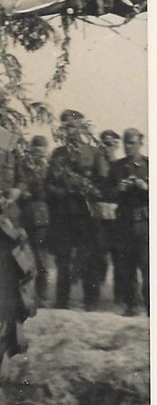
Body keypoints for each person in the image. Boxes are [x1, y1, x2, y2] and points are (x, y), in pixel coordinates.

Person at [46, 110, 102, 311]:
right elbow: (49, 185)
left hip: (86, 214)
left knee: (89, 256)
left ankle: (91, 300)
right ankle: (62, 301)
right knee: (63, 259)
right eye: (66, 126)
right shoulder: (58, 155)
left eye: (72, 125)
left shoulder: (93, 153)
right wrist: (64, 191)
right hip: (64, 214)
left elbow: (102, 183)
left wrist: (90, 190)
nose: (69, 130)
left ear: (81, 126)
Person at [108, 128, 149, 316]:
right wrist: (119, 188)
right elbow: (106, 193)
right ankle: (132, 305)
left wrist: (146, 187)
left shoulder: (149, 164)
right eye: (125, 143)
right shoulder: (116, 167)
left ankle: (150, 306)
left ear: (140, 143)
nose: (127, 147)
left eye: (131, 143)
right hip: (124, 223)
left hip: (145, 222)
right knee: (127, 266)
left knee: (148, 265)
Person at [15, 135, 51, 306]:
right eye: (35, 150)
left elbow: (50, 190)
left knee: (41, 259)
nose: (37, 154)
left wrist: (35, 192)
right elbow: (19, 182)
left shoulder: (50, 168)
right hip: (23, 215)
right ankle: (22, 295)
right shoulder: (23, 165)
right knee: (20, 256)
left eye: (41, 151)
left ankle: (42, 296)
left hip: (41, 217)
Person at [94, 129, 121, 302]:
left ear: (117, 146)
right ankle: (96, 294)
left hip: (119, 217)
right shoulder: (96, 167)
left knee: (119, 257)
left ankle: (119, 297)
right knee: (99, 255)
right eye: (104, 144)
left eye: (111, 144)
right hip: (100, 217)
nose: (107, 148)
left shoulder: (122, 165)